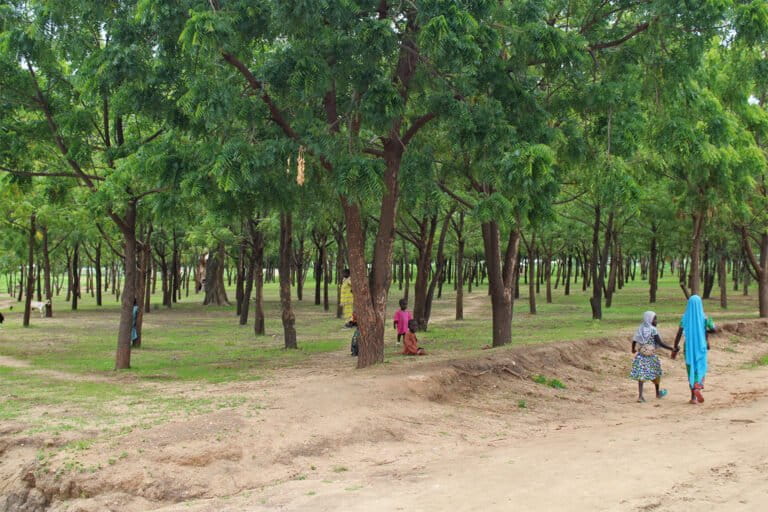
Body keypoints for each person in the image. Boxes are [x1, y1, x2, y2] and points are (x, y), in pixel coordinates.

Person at [630, 311, 677, 402]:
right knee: (656, 373)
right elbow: (660, 343)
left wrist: (633, 349)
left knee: (641, 376)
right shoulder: (653, 330)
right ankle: (657, 393)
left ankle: (640, 396)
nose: (656, 321)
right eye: (654, 319)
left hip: (641, 356)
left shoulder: (640, 328)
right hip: (651, 356)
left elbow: (634, 340)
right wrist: (671, 348)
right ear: (650, 319)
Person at [673, 295, 710, 404]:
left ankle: (693, 397)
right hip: (701, 346)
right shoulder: (704, 317)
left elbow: (679, 333)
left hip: (688, 347)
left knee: (691, 368)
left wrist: (675, 346)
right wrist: (707, 342)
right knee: (700, 367)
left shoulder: (685, 317)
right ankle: (698, 386)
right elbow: (709, 330)